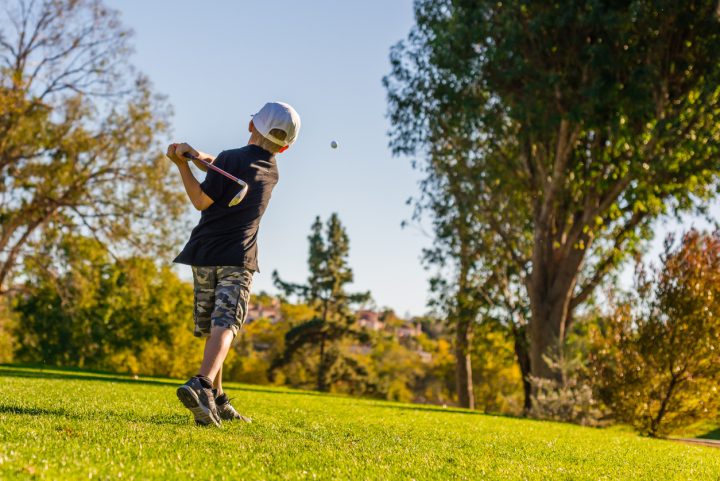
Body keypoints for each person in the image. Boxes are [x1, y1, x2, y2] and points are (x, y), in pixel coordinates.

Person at [165, 101, 300, 427]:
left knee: (216, 324)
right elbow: (222, 166)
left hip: (205, 254)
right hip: (238, 259)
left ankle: (208, 390)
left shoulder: (231, 159)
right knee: (226, 323)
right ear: (283, 147)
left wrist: (180, 165)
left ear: (251, 126)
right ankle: (207, 386)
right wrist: (196, 156)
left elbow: (200, 200)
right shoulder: (271, 171)